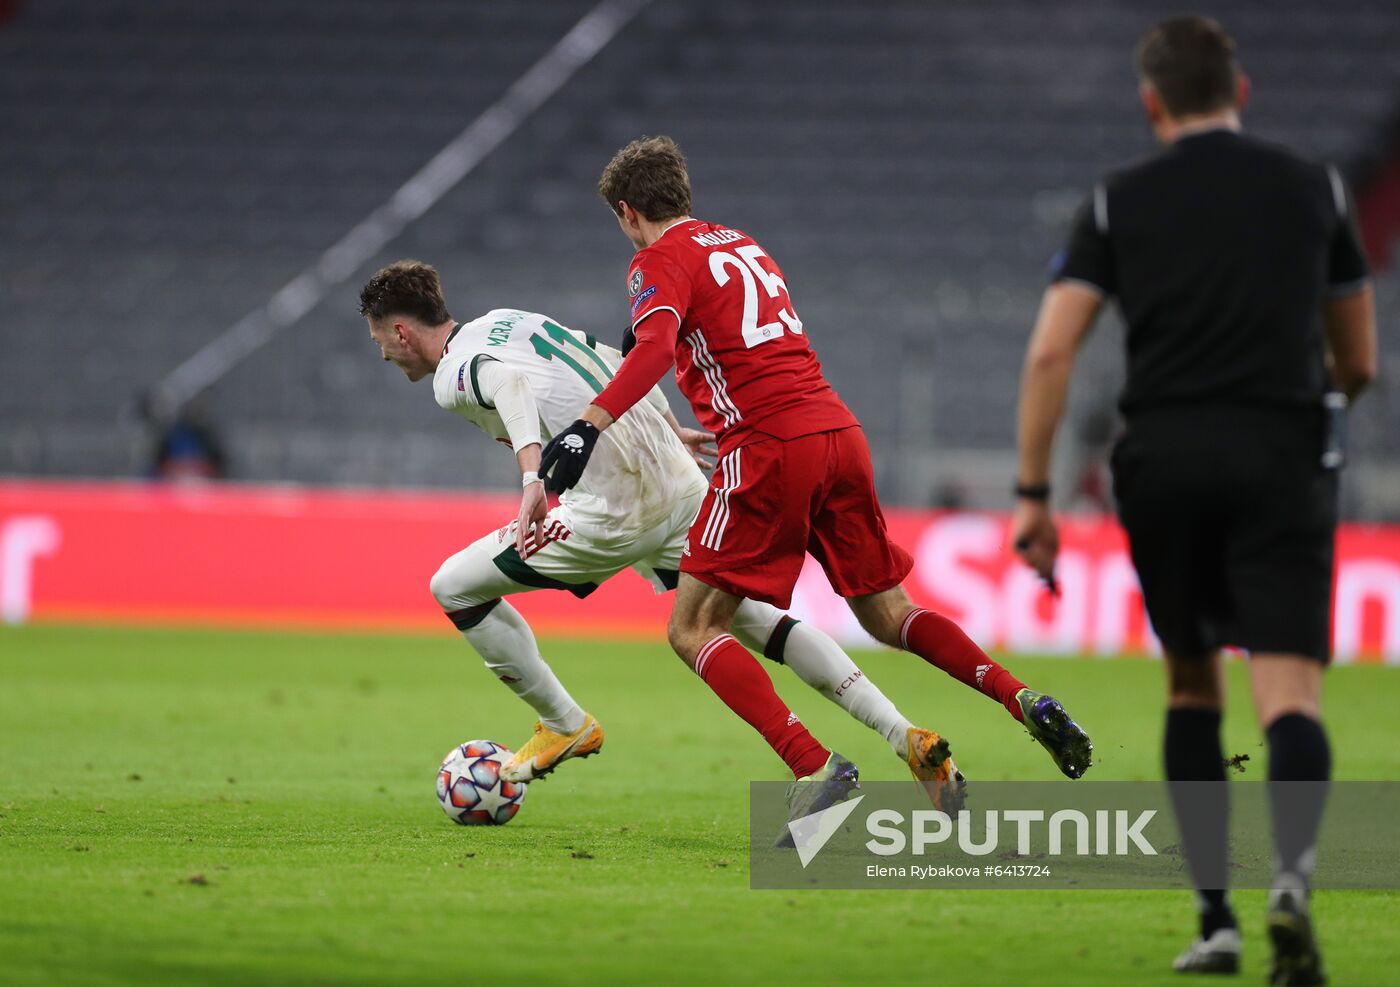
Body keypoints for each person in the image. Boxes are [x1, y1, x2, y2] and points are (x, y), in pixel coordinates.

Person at [539, 136, 1092, 828]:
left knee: (693, 626)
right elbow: (703, 329)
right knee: (889, 613)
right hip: (838, 431)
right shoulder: (742, 244)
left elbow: (654, 345)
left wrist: (588, 424)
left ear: (627, 212)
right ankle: (1021, 698)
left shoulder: (653, 258)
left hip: (767, 445)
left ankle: (814, 764)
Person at [1011, 17, 1377, 985]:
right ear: (1240, 91)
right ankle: (1289, 882)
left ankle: (1213, 922)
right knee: (1286, 688)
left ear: (1150, 103)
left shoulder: (1115, 200)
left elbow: (1052, 349)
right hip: (1280, 448)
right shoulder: (1315, 188)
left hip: (1163, 457)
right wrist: (1316, 397)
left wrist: (1033, 493)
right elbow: (1358, 359)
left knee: (1188, 684)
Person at [358, 260, 964, 800]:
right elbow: (603, 360)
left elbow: (510, 388)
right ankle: (901, 733)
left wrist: (531, 479)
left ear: (402, 330)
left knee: (453, 587)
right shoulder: (506, 320)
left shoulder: (451, 376)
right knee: (750, 622)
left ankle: (566, 724)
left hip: (615, 508)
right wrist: (667, 428)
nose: (383, 353)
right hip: (676, 481)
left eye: (381, 339)